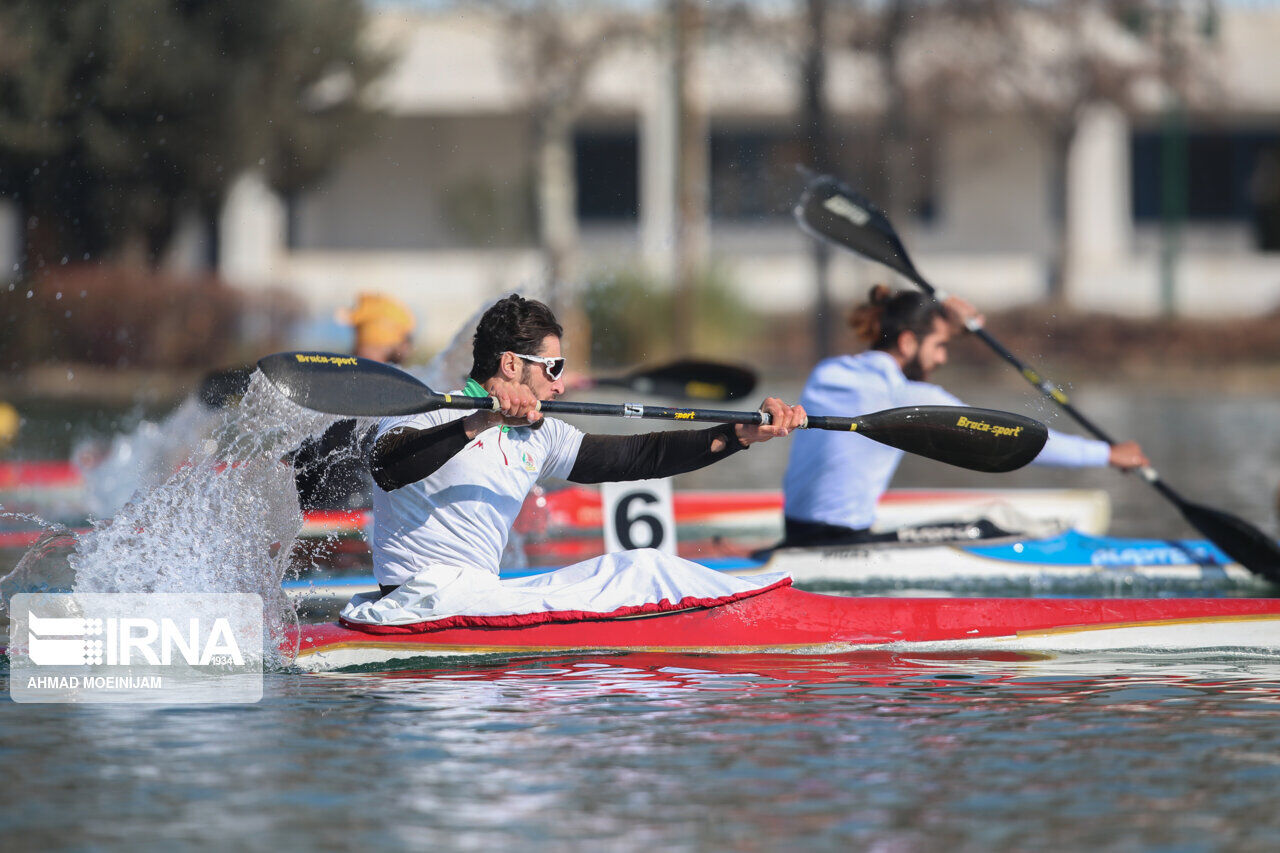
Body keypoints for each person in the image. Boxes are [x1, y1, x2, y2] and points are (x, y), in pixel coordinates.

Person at [339, 294, 805, 627]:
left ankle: (773, 598)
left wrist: (737, 436)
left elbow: (638, 455)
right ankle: (770, 615)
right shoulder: (434, 409)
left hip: (474, 598)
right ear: (510, 365)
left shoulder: (540, 435)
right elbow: (387, 467)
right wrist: (479, 421)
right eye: (553, 368)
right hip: (420, 603)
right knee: (645, 575)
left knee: (641, 564)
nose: (559, 384)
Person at [780, 285, 1149, 548]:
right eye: (940, 345)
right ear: (908, 343)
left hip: (795, 532)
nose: (942, 359)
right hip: (840, 543)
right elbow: (1007, 436)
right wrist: (1107, 454)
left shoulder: (827, 371)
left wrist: (945, 318)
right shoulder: (909, 396)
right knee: (995, 525)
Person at [292, 292, 416, 510]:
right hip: (357, 507)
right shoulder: (402, 391)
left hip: (323, 504)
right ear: (395, 341)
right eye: (407, 339)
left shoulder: (334, 386)